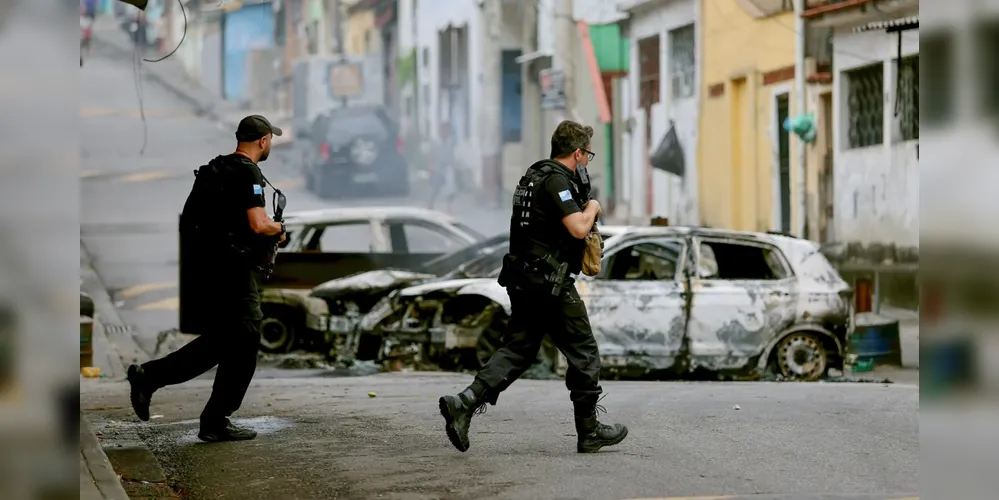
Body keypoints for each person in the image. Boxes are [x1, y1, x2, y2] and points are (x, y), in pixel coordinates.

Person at [438, 120, 628, 454]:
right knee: (584, 353)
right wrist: (594, 206)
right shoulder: (556, 181)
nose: (587, 163)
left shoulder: (533, 176)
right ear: (578, 152)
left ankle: (463, 403)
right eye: (587, 155)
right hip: (549, 285)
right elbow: (578, 227)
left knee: (517, 350)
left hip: (525, 280)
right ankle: (589, 431)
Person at [125, 115, 287, 443]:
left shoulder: (215, 169)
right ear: (264, 141)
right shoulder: (248, 172)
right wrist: (278, 228)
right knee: (246, 334)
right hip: (231, 271)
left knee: (223, 342)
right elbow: (257, 223)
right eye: (271, 139)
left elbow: (200, 220)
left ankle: (154, 380)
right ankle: (212, 416)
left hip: (205, 270)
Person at [428, 122, 458, 213]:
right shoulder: (435, 142)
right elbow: (431, 155)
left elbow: (452, 154)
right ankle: (430, 205)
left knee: (450, 189)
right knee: (436, 188)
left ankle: (449, 207)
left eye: (447, 130)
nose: (445, 132)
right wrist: (431, 166)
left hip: (448, 167)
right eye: (443, 130)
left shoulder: (450, 142)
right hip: (438, 168)